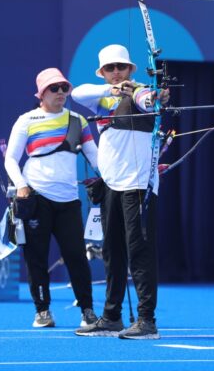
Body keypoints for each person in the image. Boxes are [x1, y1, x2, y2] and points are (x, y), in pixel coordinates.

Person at [71, 44, 169, 340]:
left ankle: (146, 320)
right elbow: (77, 93)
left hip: (138, 185)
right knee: (112, 252)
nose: (116, 73)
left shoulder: (141, 93)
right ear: (103, 73)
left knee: (139, 251)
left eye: (121, 67)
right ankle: (112, 316)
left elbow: (149, 100)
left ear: (130, 69)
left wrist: (148, 94)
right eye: (110, 68)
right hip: (111, 183)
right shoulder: (102, 99)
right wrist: (113, 90)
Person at [4, 67, 99, 328]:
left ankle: (88, 311)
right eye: (53, 88)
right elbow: (10, 159)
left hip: (68, 200)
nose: (60, 93)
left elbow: (96, 157)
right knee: (36, 257)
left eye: (64, 88)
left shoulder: (77, 120)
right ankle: (42, 311)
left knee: (76, 256)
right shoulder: (27, 120)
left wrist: (118, 177)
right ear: (41, 94)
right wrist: (21, 186)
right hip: (36, 197)